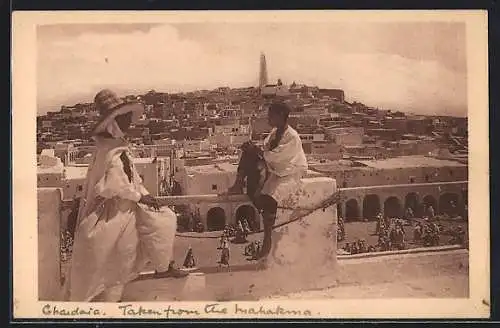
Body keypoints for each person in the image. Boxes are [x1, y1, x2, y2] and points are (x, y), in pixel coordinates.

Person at [62, 89, 187, 302]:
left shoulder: (115, 147)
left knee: (164, 219)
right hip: (112, 214)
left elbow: (132, 179)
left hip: (125, 208)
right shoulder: (108, 151)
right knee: (116, 262)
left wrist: (143, 195)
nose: (129, 123)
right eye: (125, 119)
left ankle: (162, 265)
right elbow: (113, 185)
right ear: (113, 122)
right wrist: (140, 197)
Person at [224, 102, 308, 260]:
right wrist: (253, 148)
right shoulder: (275, 132)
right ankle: (238, 184)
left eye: (271, 115)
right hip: (274, 170)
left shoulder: (292, 136)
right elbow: (265, 150)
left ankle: (267, 243)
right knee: (248, 156)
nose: (268, 118)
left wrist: (257, 151)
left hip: (289, 173)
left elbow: (276, 156)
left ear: (281, 116)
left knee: (268, 201)